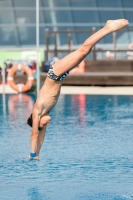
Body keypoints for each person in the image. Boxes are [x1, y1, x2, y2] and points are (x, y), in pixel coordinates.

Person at [27, 19, 129, 160]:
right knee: (84, 52)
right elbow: (40, 138)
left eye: (42, 124)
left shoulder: (37, 110)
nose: (47, 124)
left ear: (36, 121)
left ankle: (108, 27)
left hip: (55, 73)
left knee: (83, 50)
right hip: (60, 76)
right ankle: (107, 28)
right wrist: (38, 153)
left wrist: (31, 154)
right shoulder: (44, 115)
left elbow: (34, 135)